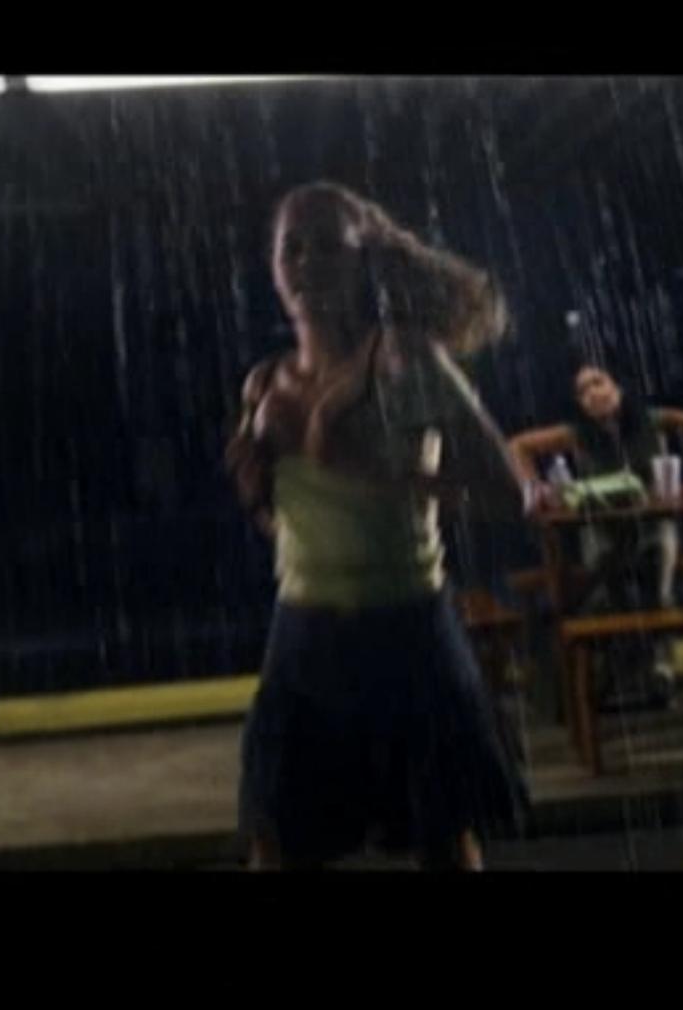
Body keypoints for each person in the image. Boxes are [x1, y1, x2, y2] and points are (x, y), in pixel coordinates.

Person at [224, 181, 530, 870]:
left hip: (407, 626)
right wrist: (257, 496)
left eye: (327, 247)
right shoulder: (263, 384)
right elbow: (292, 526)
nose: (306, 263)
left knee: (444, 840)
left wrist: (380, 473)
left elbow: (512, 494)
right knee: (277, 843)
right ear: (272, 266)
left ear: (363, 258)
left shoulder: (405, 360)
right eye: (291, 249)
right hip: (303, 634)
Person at [508, 362, 683, 710]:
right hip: (603, 527)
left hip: (653, 521)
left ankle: (660, 670)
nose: (592, 393)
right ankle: (614, 671)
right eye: (582, 391)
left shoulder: (650, 419)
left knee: (659, 583)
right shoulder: (578, 433)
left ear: (617, 387)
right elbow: (518, 446)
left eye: (598, 382)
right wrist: (536, 490)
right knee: (611, 587)